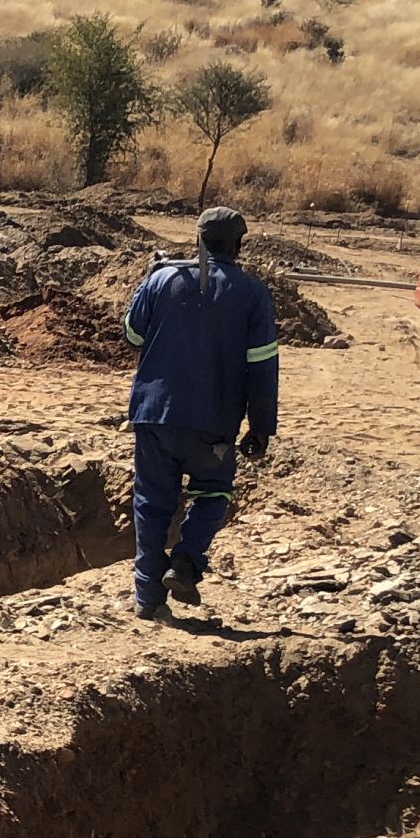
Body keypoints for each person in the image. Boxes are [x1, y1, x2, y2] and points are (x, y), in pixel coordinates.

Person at [123, 206, 280, 621]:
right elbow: (263, 365)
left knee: (152, 502)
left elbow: (132, 333)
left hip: (154, 415)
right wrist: (261, 428)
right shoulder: (252, 293)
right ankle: (187, 562)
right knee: (213, 493)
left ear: (197, 240)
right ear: (238, 245)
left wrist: (149, 285)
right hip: (214, 423)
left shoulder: (162, 279)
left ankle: (148, 597)